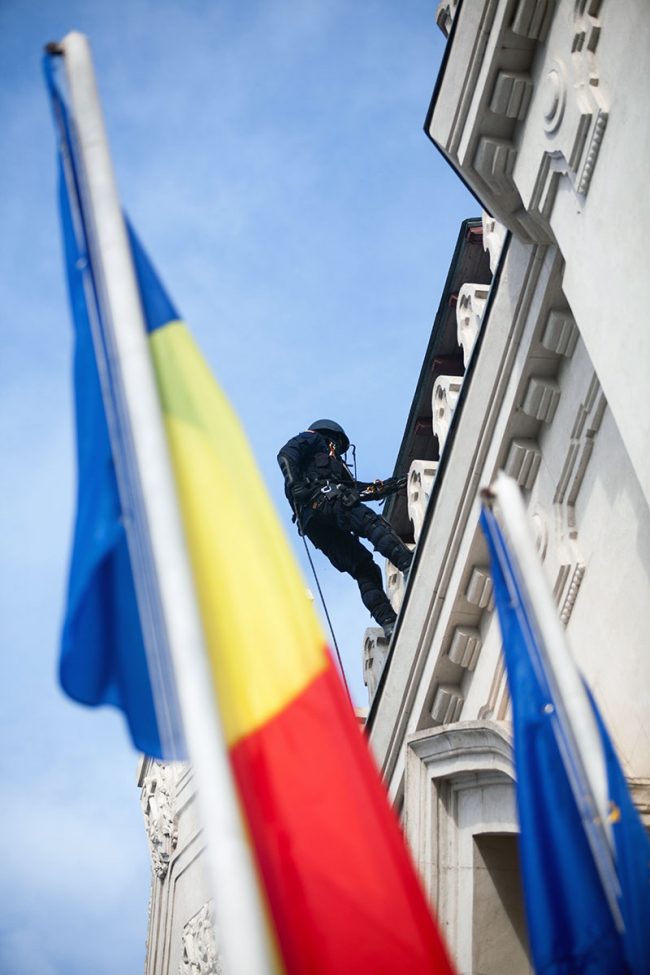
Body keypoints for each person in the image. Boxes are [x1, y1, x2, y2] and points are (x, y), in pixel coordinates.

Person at [277, 419, 413, 639]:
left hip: (316, 525)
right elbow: (285, 454)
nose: (338, 452)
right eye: (338, 446)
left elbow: (358, 490)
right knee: (371, 523)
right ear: (333, 437)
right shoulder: (313, 438)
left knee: (363, 567)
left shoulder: (336, 469)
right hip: (326, 501)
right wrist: (295, 484)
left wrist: (388, 486)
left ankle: (388, 622)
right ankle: (408, 564)